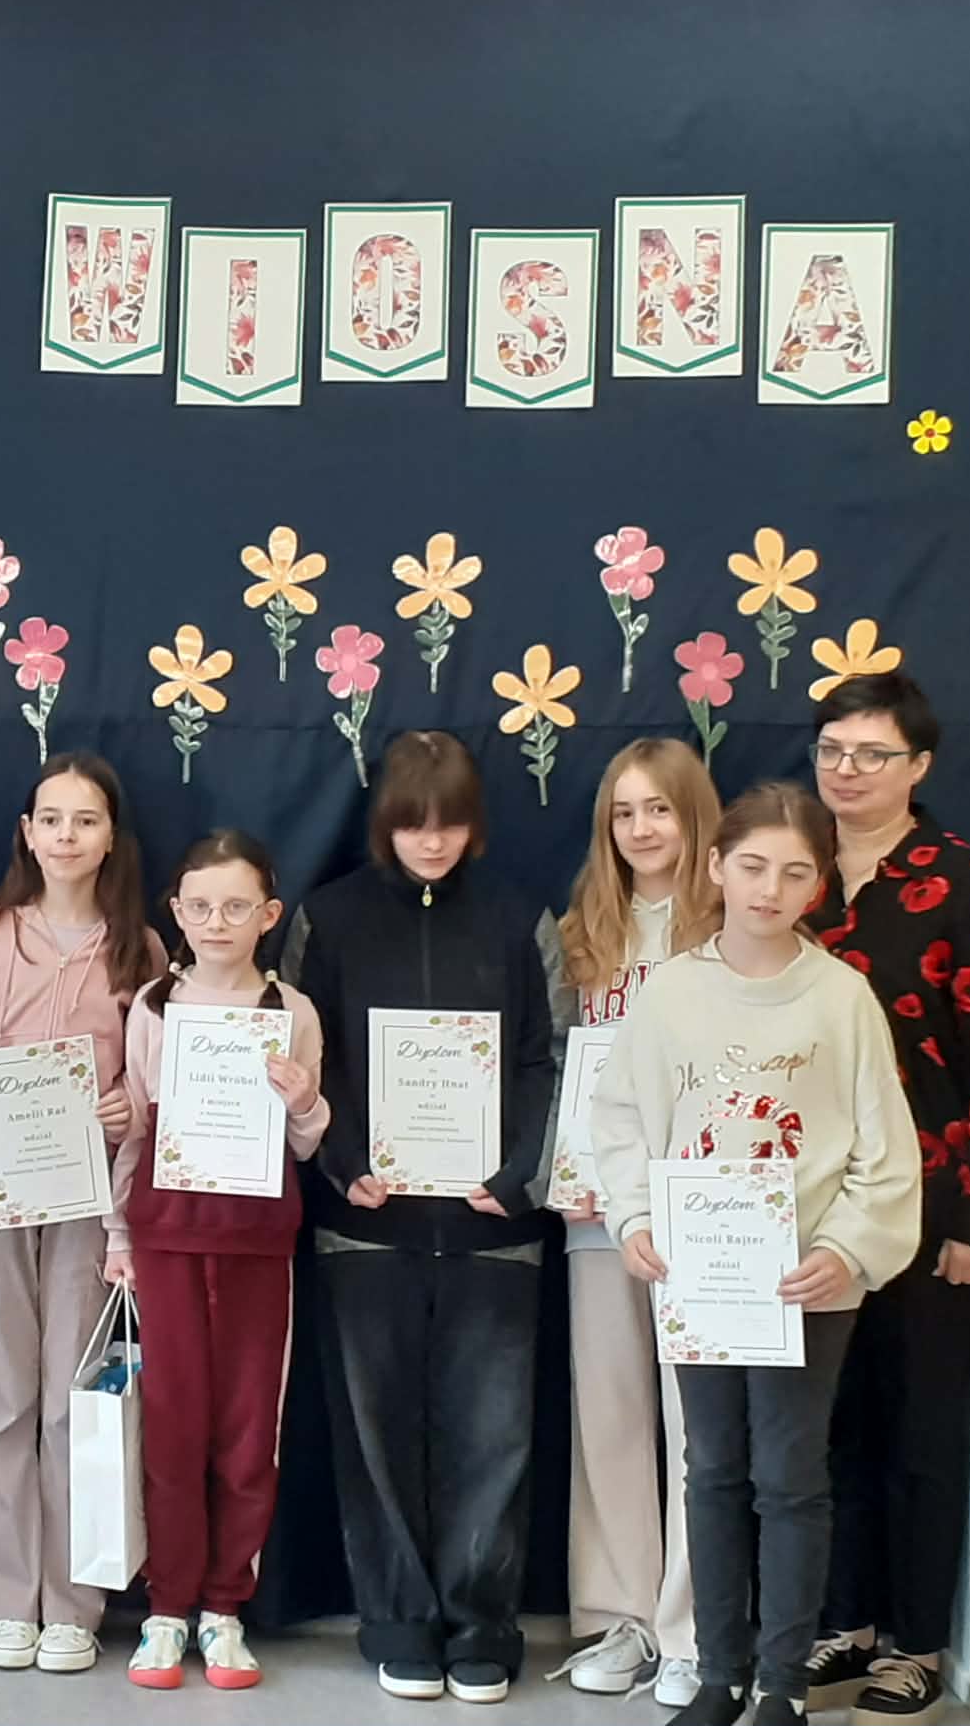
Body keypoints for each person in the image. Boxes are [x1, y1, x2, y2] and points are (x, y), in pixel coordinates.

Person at [590, 781, 922, 1726]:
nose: (769, 889)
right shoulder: (673, 993)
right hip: (701, 1280)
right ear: (715, 868)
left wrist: (848, 1250)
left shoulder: (842, 998)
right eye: (751, 867)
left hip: (805, 1285)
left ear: (818, 884)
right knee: (712, 1471)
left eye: (793, 872)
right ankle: (718, 1674)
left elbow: (884, 1150)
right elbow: (620, 1119)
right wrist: (635, 1220)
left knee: (791, 1478)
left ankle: (781, 1686)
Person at [282, 729, 555, 1706]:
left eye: (448, 824)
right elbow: (301, 1057)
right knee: (374, 1436)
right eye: (412, 824)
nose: (431, 842)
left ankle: (482, 1625)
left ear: (474, 824)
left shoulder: (522, 917)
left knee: (494, 1436)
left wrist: (520, 1176)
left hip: (495, 1226)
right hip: (366, 1220)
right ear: (384, 823)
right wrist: (346, 1162)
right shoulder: (328, 917)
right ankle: (397, 1619)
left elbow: (551, 1056)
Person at [801, 674, 970, 1726]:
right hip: (813, 1208)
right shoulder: (791, 872)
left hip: (935, 1210)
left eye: (871, 753)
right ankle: (842, 1623)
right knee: (831, 1426)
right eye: (831, 749)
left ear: (919, 766)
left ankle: (916, 1643)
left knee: (922, 1434)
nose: (846, 770)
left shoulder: (967, 883)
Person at [0, 753, 164, 1675]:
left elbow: (148, 1081)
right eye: (52, 819)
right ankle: (6, 1599)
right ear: (27, 833)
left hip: (88, 1199)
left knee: (76, 1403)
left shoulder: (141, 949)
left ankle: (73, 1603)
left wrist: (125, 1108)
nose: (67, 836)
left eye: (86, 820)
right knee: (5, 1403)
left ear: (111, 837)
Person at [105, 829, 330, 1691]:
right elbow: (134, 1129)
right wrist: (118, 1236)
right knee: (171, 1428)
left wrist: (304, 1102)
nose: (217, 922)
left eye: (236, 907)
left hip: (256, 1244)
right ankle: (167, 1608)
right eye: (200, 906)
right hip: (166, 1237)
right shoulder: (153, 1007)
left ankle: (225, 1607)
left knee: (245, 1432)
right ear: (177, 911)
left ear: (269, 915)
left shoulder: (292, 1011)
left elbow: (307, 1143)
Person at [544, 740, 720, 1709]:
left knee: (698, 1423)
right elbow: (563, 1068)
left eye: (658, 809)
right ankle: (622, 1616)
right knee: (607, 1411)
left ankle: (692, 1629)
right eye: (623, 811)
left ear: (694, 817)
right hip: (597, 1202)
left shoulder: (731, 920)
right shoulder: (585, 930)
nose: (641, 828)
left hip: (703, 1206)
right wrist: (566, 1167)